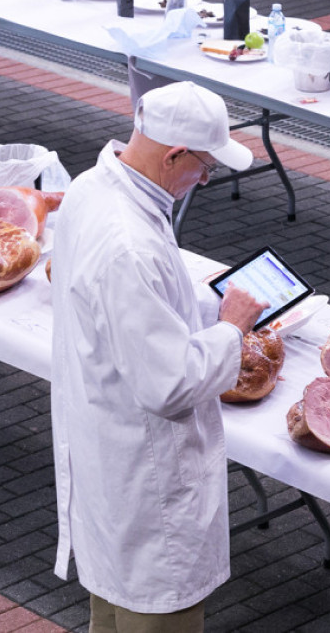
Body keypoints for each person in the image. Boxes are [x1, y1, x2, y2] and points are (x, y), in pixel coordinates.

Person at [50, 81, 268, 631]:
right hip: (146, 487)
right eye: (205, 166)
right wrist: (231, 330)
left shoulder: (91, 188)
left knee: (111, 614)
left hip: (109, 458)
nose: (206, 178)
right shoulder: (130, 243)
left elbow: (134, 311)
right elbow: (168, 385)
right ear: (174, 155)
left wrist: (196, 302)